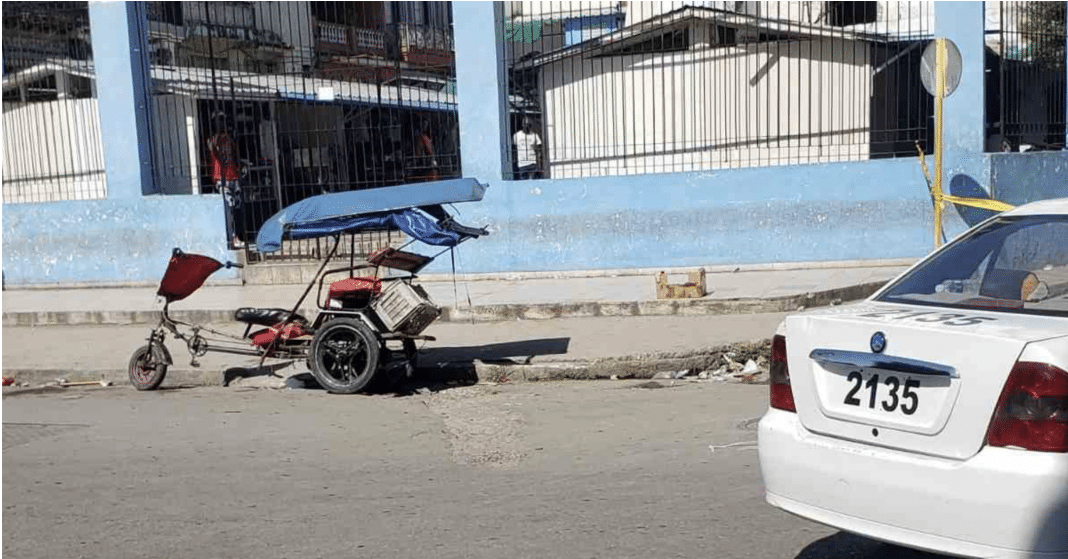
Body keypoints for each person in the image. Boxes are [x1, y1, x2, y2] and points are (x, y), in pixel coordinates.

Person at [206, 112, 243, 247]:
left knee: (237, 208)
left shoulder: (229, 138)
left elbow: (234, 155)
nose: (222, 123)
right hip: (221, 178)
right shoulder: (212, 140)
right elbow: (216, 155)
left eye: (223, 120)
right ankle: (231, 237)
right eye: (219, 121)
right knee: (229, 207)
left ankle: (237, 236)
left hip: (233, 176)